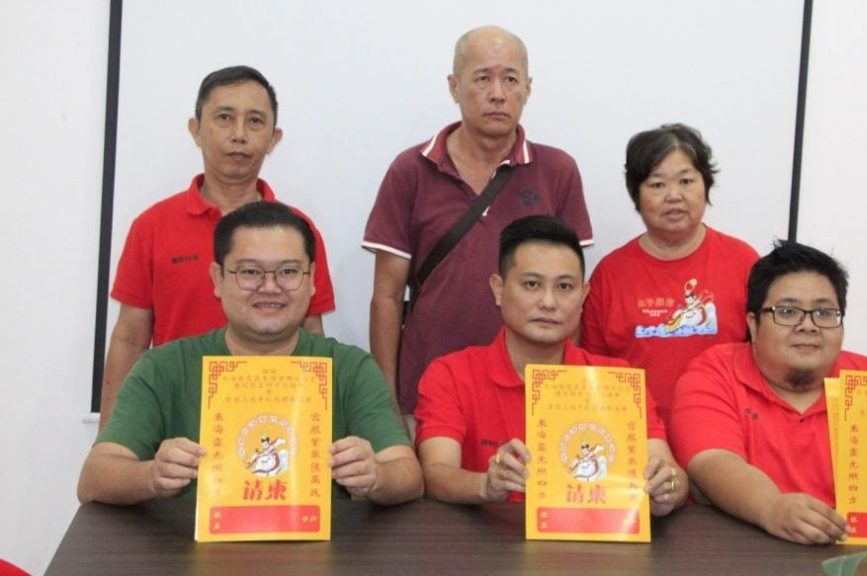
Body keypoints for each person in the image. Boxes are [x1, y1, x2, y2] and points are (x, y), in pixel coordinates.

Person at [78, 202, 421, 506]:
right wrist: (151, 475)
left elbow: (408, 474)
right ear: (217, 279)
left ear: (312, 279)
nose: (269, 287)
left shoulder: (350, 369)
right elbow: (94, 477)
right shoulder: (164, 368)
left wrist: (376, 476)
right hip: (187, 550)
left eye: (288, 272)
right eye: (250, 272)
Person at [671, 240, 867, 547]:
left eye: (824, 313)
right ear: (754, 325)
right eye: (787, 312)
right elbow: (712, 462)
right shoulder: (715, 371)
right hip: (741, 550)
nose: (808, 326)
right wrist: (772, 507)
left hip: (854, 553)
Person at [363, 26, 593, 419]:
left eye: (511, 79)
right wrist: (386, 406)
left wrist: (560, 393)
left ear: (528, 88)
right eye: (483, 78)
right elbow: (386, 297)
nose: (498, 93)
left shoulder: (557, 171)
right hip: (428, 393)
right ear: (454, 87)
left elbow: (570, 296)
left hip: (530, 397)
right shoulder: (412, 170)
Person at [100, 65, 336, 428]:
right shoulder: (152, 226)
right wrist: (111, 438)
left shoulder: (296, 230)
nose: (239, 135)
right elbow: (129, 339)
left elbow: (312, 335)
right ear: (196, 129)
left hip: (273, 424)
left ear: (273, 138)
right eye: (224, 118)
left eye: (255, 121)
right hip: (173, 422)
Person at [415, 216, 685, 516]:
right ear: (498, 289)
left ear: (583, 296)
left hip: (592, 540)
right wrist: (485, 485)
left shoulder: (617, 382)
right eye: (532, 284)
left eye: (564, 287)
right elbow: (436, 474)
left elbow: (671, 472)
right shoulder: (450, 375)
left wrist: (667, 488)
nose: (548, 302)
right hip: (485, 540)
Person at [581, 123, 757, 426]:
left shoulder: (744, 262)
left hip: (726, 431)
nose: (674, 195)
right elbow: (592, 371)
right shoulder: (610, 274)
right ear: (636, 194)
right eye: (657, 184)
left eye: (686, 181)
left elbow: (767, 360)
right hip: (636, 434)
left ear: (706, 185)